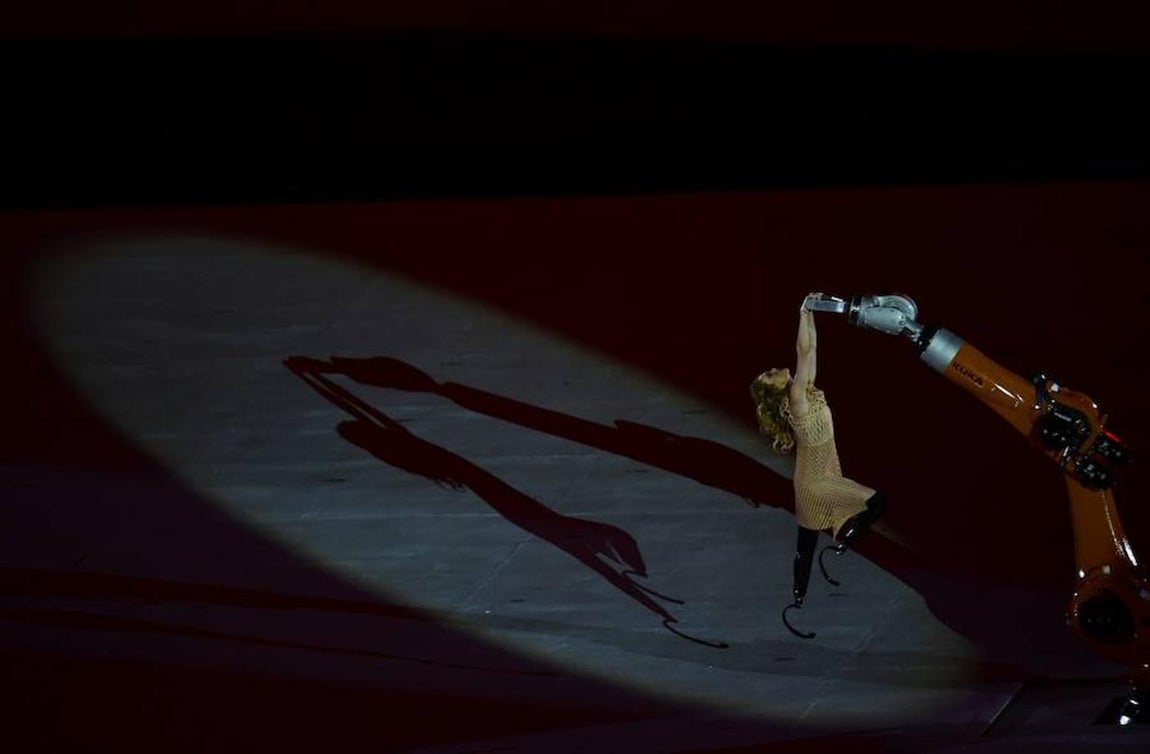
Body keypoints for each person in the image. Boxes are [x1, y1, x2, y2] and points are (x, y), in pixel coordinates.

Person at [751, 296, 887, 638]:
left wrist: (808, 312)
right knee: (875, 502)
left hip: (821, 474)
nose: (774, 369)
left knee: (806, 543)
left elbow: (810, 350)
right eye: (769, 375)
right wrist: (802, 312)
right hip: (815, 481)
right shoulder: (796, 398)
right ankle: (846, 538)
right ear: (774, 390)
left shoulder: (805, 390)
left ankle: (799, 595)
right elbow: (803, 351)